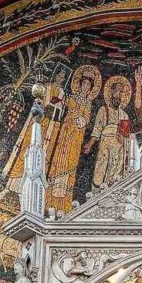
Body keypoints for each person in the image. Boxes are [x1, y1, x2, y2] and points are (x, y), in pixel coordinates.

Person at [47, 65, 101, 213]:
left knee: (69, 167)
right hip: (64, 134)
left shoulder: (88, 103)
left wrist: (76, 113)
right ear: (79, 85)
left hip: (76, 138)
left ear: (90, 89)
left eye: (88, 85)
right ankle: (48, 202)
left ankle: (63, 205)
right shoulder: (69, 98)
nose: (85, 87)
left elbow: (84, 121)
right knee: (57, 164)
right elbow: (57, 107)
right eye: (83, 84)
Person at [84, 76, 132, 189]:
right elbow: (97, 130)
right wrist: (89, 145)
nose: (118, 96)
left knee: (116, 173)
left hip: (118, 149)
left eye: (121, 93)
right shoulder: (103, 110)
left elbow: (126, 137)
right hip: (105, 146)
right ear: (110, 93)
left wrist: (124, 141)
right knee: (100, 171)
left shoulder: (124, 115)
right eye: (116, 91)